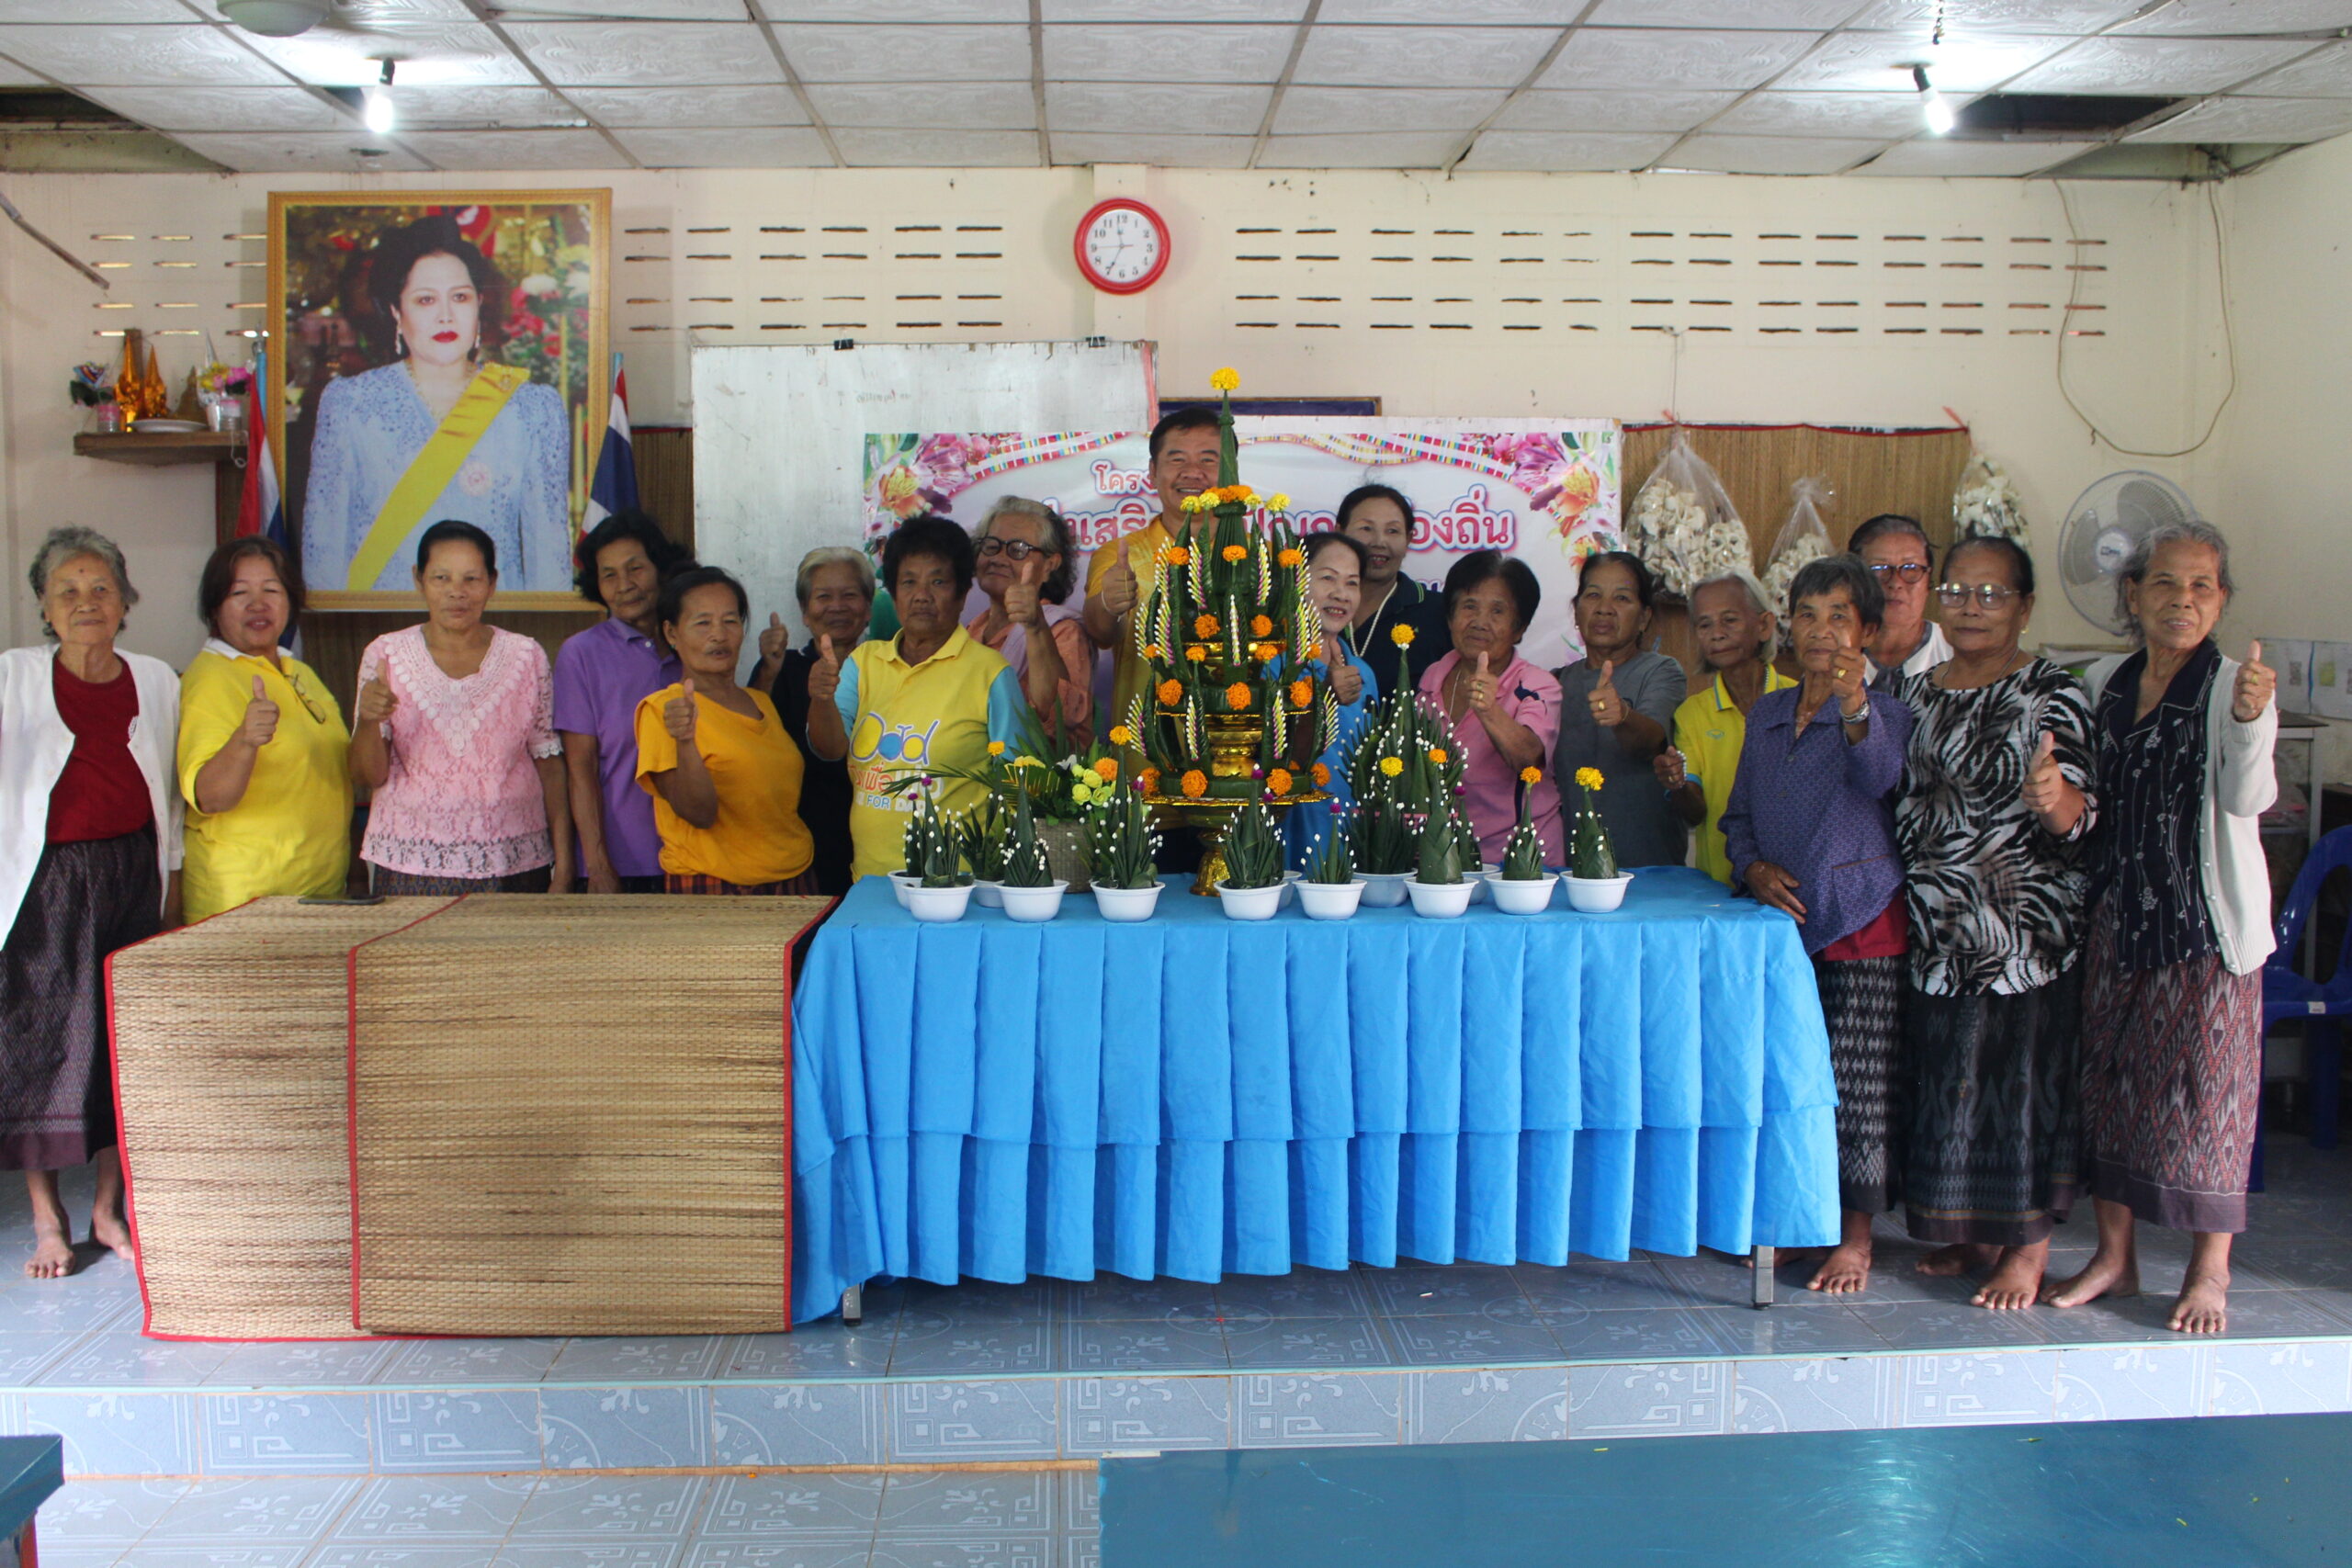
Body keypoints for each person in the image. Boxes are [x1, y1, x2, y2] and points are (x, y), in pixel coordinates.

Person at [2045, 523, 2278, 1335]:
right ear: (2133, 594)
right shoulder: (2106, 681)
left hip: (2204, 929)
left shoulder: (2234, 684)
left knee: (2210, 1095)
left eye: (2202, 585)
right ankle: (2116, 1257)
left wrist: (2250, 720)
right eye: (2166, 583)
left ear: (2221, 599)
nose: (2184, 599)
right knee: (2109, 1088)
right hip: (2119, 915)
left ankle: (2210, 1270)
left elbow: (2247, 799)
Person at [1894, 535, 2094, 1311]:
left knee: (2018, 1095)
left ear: (2024, 606)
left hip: (2021, 934)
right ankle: (1973, 1234)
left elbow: (2081, 815)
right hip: (1936, 930)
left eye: (1991, 593)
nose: (1970, 607)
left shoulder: (2052, 691)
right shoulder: (1916, 691)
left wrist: (2054, 798)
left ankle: (2026, 1249)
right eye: (1957, 591)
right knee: (1952, 1086)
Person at [1721, 556, 1915, 1295]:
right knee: (1789, 1080)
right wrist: (1753, 868)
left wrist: (1853, 702)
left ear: (1868, 631)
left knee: (1856, 1089)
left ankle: (1855, 1236)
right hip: (1782, 931)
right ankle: (1802, 1221)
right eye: (1808, 614)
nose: (1822, 630)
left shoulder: (1884, 710)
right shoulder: (1768, 713)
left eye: (1840, 616)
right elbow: (1738, 816)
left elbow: (1880, 776)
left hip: (1861, 924)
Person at [0, 528, 181, 1278]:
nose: (86, 602)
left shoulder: (157, 679)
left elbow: (170, 787)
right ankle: (48, 1218)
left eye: (101, 587)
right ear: (44, 607)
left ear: (125, 600)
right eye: (67, 590)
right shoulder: (12, 676)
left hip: (132, 872)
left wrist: (172, 887)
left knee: (118, 1042)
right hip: (42, 881)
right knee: (35, 1040)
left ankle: (108, 1208)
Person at [301, 213, 571, 593]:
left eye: (460, 297)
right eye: (425, 300)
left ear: (479, 304)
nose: (446, 315)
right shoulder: (351, 404)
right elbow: (324, 551)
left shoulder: (532, 409)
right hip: (383, 623)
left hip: (494, 624)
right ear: (397, 312)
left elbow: (549, 556)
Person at [349, 520, 571, 894]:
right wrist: (369, 721)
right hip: (410, 863)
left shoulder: (526, 655)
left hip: (514, 859)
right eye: (441, 578)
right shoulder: (385, 654)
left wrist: (564, 866)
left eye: (471, 579)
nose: (457, 592)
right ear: (419, 580)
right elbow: (366, 775)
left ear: (492, 583)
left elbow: (549, 767)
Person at [808, 513, 1025, 882]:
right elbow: (828, 749)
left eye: (938, 582)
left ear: (962, 595)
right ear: (893, 594)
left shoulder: (990, 673)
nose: (922, 596)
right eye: (908, 582)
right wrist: (821, 698)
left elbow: (1017, 783)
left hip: (958, 885)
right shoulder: (864, 662)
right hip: (871, 880)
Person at [177, 536, 352, 920]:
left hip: (318, 891)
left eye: (271, 590)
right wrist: (244, 740)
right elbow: (210, 797)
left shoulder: (298, 670)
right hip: (245, 902)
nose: (258, 604)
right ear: (215, 607)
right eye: (239, 592)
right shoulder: (210, 679)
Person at [635, 568, 818, 896]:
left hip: (794, 877)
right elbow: (699, 814)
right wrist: (685, 741)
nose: (718, 635)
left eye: (730, 621)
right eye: (703, 623)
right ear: (672, 633)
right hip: (716, 886)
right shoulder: (664, 709)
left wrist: (769, 669)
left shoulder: (760, 701)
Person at [554, 511, 693, 893]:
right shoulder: (581, 654)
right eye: (609, 575)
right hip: (621, 864)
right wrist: (598, 865)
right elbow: (580, 769)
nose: (624, 585)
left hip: (698, 859)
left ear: (660, 568)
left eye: (635, 569)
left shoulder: (693, 645)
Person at [1084, 407, 1219, 745]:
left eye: (1208, 460)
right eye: (1177, 459)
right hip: (1144, 755)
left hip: (1237, 754)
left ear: (1232, 471)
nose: (1193, 473)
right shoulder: (1121, 554)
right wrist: (1109, 603)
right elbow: (1099, 631)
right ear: (1153, 471)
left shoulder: (1260, 557)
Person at [1420, 550, 1562, 864]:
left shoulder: (1537, 685)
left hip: (1523, 864)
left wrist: (1489, 710)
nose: (1480, 622)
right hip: (1447, 863)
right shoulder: (1431, 679)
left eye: (1497, 611)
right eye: (1469, 606)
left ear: (1519, 629)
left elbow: (1528, 759)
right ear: (1450, 617)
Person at [752, 547, 875, 897]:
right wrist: (768, 669)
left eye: (849, 595)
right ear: (805, 612)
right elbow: (751, 739)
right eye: (823, 597)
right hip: (805, 845)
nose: (837, 606)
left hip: (879, 840)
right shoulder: (785, 668)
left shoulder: (889, 668)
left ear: (868, 608)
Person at [1656, 570, 1790, 886]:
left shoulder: (1797, 700)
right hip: (1720, 888)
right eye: (1704, 625)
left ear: (1764, 625)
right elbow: (1695, 813)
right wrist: (1676, 783)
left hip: (1791, 883)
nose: (1716, 634)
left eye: (1729, 620)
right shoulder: (1692, 714)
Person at [1554, 551, 1686, 866]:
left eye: (1622, 598)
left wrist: (1622, 716)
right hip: (1573, 874)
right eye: (1593, 595)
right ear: (1576, 611)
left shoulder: (1661, 671)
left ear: (1644, 618)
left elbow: (1652, 741)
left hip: (1649, 870)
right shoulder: (1555, 683)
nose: (1604, 608)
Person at [964, 497, 1093, 748]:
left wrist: (1035, 627)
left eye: (1017, 549)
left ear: (1050, 565)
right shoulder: (971, 631)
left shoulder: (1062, 630)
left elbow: (1059, 717)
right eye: (991, 546)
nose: (999, 558)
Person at [1283, 531, 1377, 871]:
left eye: (1352, 583)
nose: (1341, 593)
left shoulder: (1363, 673)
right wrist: (1323, 698)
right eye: (1327, 578)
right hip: (1286, 849)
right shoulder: (1270, 667)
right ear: (1295, 582)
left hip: (1350, 852)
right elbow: (1277, 766)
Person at [1339, 483, 1450, 690]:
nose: (1379, 542)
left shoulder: (1439, 613)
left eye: (1392, 531)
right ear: (1340, 532)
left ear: (1409, 539)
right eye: (1366, 528)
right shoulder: (1311, 609)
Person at [1850, 513, 1951, 690]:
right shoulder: (1834, 652)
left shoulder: (1955, 651)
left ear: (1928, 580)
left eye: (1911, 568)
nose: (1896, 583)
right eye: (1879, 569)